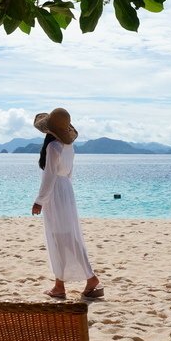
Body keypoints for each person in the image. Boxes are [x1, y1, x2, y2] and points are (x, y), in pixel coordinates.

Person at [30, 107, 103, 299]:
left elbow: (49, 177)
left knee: (57, 237)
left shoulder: (52, 147)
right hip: (66, 191)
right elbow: (67, 173)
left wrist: (39, 201)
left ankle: (64, 285)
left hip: (55, 193)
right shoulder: (69, 147)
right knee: (69, 236)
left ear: (48, 130)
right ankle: (73, 281)